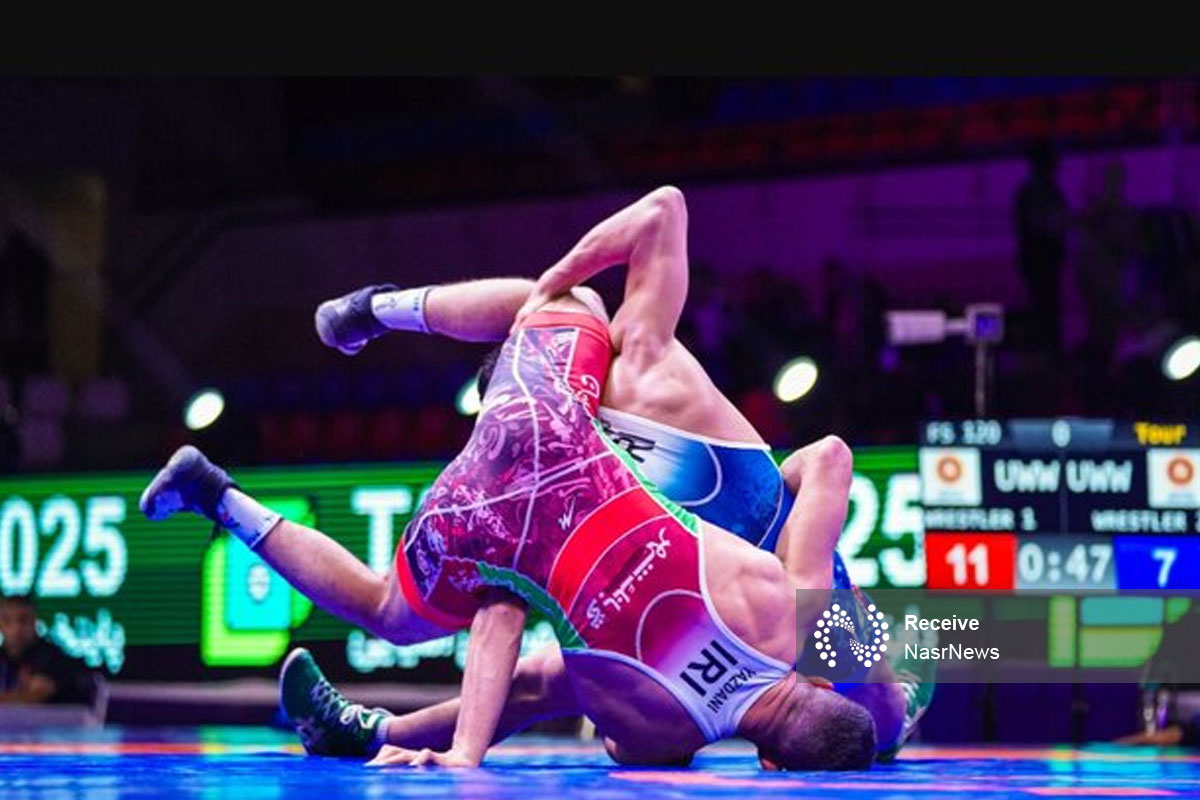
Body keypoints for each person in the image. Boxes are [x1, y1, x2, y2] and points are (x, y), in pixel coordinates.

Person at [140, 188, 879, 770]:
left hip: (705, 548)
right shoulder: (647, 380)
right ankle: (232, 509)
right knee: (455, 633)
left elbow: (662, 212)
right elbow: (543, 657)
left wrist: (558, 282)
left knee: (565, 302)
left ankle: (376, 310)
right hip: (601, 556)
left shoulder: (776, 590)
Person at [1013, 139, 1068, 356]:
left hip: (1047, 259)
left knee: (1049, 304)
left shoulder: (1050, 192)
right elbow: (1030, 226)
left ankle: (1049, 348)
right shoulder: (1032, 194)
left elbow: (1058, 225)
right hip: (1038, 258)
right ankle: (1044, 348)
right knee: (1042, 305)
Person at [0, 594, 95, 706]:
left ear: (35, 621)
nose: (16, 628)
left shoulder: (51, 658)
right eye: (7, 621)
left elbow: (37, 696)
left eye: (23, 620)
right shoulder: (3, 657)